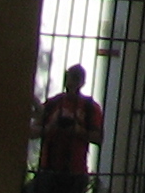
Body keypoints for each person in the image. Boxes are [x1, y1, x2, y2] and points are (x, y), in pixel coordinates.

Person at [34, 65, 102, 193]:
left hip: (75, 171)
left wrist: (78, 130)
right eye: (70, 77)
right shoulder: (53, 103)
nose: (72, 82)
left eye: (76, 78)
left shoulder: (90, 107)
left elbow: (98, 138)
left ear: (83, 82)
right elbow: (32, 132)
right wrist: (51, 126)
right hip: (49, 169)